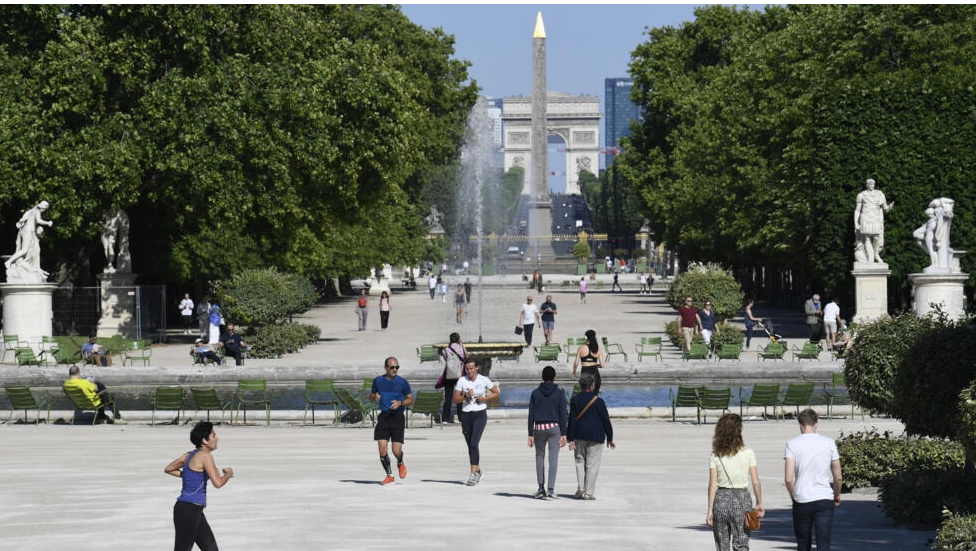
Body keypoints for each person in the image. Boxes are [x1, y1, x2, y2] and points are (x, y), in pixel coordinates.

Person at [165, 421, 233, 551]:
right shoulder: (205, 456)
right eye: (213, 435)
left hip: (192, 511)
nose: (217, 438)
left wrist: (188, 476)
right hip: (189, 511)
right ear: (205, 440)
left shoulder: (189, 454)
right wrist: (228, 474)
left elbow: (169, 469)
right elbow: (218, 483)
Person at [785, 409, 843, 551]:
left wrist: (794, 495)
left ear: (800, 424)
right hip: (824, 498)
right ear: (817, 424)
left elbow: (788, 478)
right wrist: (836, 494)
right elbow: (838, 475)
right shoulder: (829, 443)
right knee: (824, 542)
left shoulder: (792, 444)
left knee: (803, 543)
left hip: (802, 499)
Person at [707, 413, 765, 551]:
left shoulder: (715, 455)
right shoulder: (748, 453)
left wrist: (710, 510)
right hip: (742, 500)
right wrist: (759, 502)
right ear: (739, 431)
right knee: (741, 544)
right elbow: (755, 481)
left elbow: (712, 485)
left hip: (721, 499)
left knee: (722, 545)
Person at [567, 373, 614, 500]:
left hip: (579, 435)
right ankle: (588, 492)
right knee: (592, 464)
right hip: (596, 436)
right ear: (592, 386)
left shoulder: (574, 400)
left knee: (579, 461)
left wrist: (570, 439)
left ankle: (581, 487)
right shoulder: (599, 401)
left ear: (580, 386)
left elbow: (572, 421)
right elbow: (606, 420)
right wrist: (610, 437)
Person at [454, 358, 499, 486]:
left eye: (471, 369)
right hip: (466, 415)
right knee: (470, 445)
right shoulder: (462, 381)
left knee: (474, 442)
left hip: (480, 414)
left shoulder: (483, 379)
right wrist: (466, 396)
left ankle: (473, 474)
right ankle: (477, 470)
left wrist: (484, 398)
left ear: (476, 368)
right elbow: (456, 399)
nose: (469, 371)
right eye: (467, 369)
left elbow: (496, 393)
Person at [369, 356, 414, 485]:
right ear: (386, 368)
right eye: (392, 367)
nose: (395, 369)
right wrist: (374, 397)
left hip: (397, 418)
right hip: (384, 417)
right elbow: (371, 397)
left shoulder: (403, 382)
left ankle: (400, 461)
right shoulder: (378, 381)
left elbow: (411, 399)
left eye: (397, 367)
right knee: (382, 449)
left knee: (396, 450)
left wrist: (401, 403)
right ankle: (389, 475)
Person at [528, 366, 567, 500]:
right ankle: (550, 489)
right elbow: (563, 414)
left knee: (539, 456)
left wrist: (530, 434)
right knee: (553, 458)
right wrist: (564, 433)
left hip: (539, 427)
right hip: (554, 427)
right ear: (554, 377)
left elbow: (531, 415)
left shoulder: (535, 393)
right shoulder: (559, 393)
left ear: (543, 377)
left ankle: (540, 488)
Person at [853, 178, 894, 264]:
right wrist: (856, 222)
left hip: (875, 218)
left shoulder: (879, 194)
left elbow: (885, 208)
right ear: (866, 185)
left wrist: (889, 207)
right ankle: (870, 260)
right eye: (870, 184)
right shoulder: (861, 195)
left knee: (876, 237)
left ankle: (876, 254)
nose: (872, 186)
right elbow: (857, 210)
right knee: (867, 239)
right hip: (865, 217)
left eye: (873, 184)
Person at [5, 200, 53, 270]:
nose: (43, 211)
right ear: (43, 208)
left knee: (25, 250)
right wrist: (48, 222)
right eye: (44, 210)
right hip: (28, 232)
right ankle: (9, 262)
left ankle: (22, 264)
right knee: (24, 250)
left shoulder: (30, 211)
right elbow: (39, 221)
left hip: (22, 231)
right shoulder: (37, 211)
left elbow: (22, 220)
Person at [440, 333, 467, 424]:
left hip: (449, 375)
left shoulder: (446, 349)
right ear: (458, 339)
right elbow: (466, 356)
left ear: (450, 339)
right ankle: (461, 417)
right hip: (459, 375)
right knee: (460, 396)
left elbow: (445, 359)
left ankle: (445, 418)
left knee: (448, 397)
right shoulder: (461, 348)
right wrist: (461, 345)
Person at [572, 329, 605, 395]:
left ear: (586, 337)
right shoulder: (597, 349)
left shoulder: (581, 348)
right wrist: (595, 365)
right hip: (595, 372)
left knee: (585, 394)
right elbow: (602, 365)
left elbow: (576, 363)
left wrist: (574, 372)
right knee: (595, 395)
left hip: (585, 372)